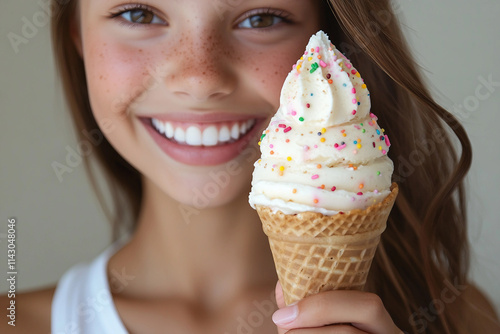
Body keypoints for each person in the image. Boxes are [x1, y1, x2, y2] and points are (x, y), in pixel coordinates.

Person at [2, 0, 499, 333]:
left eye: (261, 18)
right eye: (138, 13)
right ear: (77, 37)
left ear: (337, 46)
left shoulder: (461, 317)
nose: (200, 79)